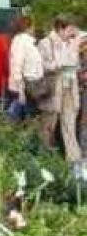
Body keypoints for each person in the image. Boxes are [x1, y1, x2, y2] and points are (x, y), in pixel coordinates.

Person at [37, 15, 82, 162]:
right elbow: (46, 66)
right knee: (49, 126)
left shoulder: (71, 42)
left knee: (69, 124)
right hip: (54, 88)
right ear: (60, 28)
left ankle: (74, 159)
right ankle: (46, 160)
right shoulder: (45, 43)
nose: (72, 33)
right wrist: (66, 57)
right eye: (69, 29)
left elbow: (76, 65)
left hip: (70, 87)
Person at [6, 15, 44, 121]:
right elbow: (17, 66)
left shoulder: (24, 42)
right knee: (26, 118)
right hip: (24, 87)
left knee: (27, 118)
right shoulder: (22, 42)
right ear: (28, 27)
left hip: (28, 86)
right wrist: (20, 90)